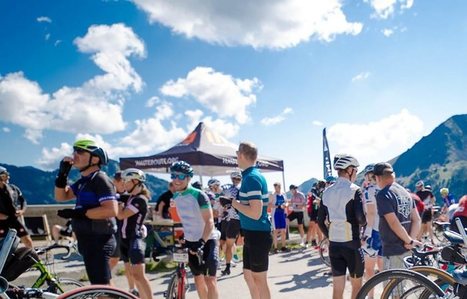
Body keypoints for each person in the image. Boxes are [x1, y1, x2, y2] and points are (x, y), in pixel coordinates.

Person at [54, 139, 118, 285]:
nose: (74, 154)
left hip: (99, 239)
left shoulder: (100, 179)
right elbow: (61, 196)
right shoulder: (84, 181)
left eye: (80, 151)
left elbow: (111, 210)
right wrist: (62, 175)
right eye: (74, 151)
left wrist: (80, 213)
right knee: (104, 285)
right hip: (88, 239)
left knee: (101, 287)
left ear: (95, 158)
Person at [318, 154, 366, 299]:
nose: (356, 174)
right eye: (356, 171)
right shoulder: (354, 189)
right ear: (350, 170)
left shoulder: (326, 192)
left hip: (334, 245)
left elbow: (320, 221)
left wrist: (329, 236)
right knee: (357, 286)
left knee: (337, 286)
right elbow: (360, 218)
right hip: (352, 244)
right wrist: (364, 223)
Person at [170, 161, 219, 299]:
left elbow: (209, 221)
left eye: (180, 176)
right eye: (173, 175)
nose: (176, 180)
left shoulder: (199, 195)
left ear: (188, 178)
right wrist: (182, 237)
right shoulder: (176, 197)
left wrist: (202, 241)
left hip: (208, 240)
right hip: (191, 241)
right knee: (198, 279)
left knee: (210, 280)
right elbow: (182, 221)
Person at [231, 142, 272, 299]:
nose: (236, 157)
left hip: (258, 234)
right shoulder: (251, 175)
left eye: (236, 153)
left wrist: (234, 203)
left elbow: (255, 213)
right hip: (252, 233)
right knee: (249, 276)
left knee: (259, 280)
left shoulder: (251, 177)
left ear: (241, 155)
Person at [373, 162, 422, 275]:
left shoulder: (383, 195)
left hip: (392, 249)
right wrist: (410, 240)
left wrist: (408, 240)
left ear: (378, 177)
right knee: (404, 285)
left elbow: (394, 222)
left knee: (393, 289)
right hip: (407, 248)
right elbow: (417, 219)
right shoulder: (406, 193)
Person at [116, 168, 153, 299]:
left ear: (136, 181)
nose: (124, 184)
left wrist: (119, 203)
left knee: (139, 276)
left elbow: (121, 215)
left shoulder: (140, 200)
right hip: (125, 239)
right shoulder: (131, 197)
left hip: (135, 239)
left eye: (126, 181)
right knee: (133, 275)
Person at [109, 171, 137, 295]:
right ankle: (103, 281)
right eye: (122, 182)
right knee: (115, 260)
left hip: (125, 231)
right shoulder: (111, 194)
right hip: (114, 231)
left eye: (125, 181)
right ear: (115, 182)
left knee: (127, 262)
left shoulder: (128, 195)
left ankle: (132, 289)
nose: (124, 184)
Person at [360, 164, 382, 299]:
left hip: (373, 231)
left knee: (369, 269)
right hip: (386, 231)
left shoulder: (369, 190)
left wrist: (366, 234)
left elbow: (371, 214)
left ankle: (371, 297)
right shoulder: (386, 189)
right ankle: (388, 293)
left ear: (369, 176)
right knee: (384, 269)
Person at [0, 166, 34, 248]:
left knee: (27, 240)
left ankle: (33, 259)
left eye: (8, 174)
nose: (8, 177)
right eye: (5, 175)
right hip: (1, 222)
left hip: (14, 219)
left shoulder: (13, 188)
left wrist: (22, 210)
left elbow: (23, 201)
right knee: (2, 245)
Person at [220, 171, 243, 275]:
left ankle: (229, 266)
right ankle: (228, 266)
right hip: (237, 218)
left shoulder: (230, 189)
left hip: (235, 219)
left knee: (232, 244)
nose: (236, 181)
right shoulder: (235, 189)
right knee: (230, 244)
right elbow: (224, 204)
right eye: (234, 179)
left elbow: (224, 203)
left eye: (237, 179)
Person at [268, 182, 289, 253]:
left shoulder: (283, 194)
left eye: (278, 187)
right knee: (276, 231)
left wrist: (285, 205)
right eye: (276, 187)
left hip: (282, 214)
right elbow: (269, 205)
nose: (277, 188)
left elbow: (287, 202)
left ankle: (283, 246)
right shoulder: (272, 195)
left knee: (283, 231)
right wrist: (278, 206)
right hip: (275, 214)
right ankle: (275, 248)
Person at [306, 181, 325, 248]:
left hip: (318, 211)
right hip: (314, 211)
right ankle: (317, 243)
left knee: (318, 228)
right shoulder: (314, 190)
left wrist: (317, 201)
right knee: (315, 227)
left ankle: (320, 244)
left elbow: (320, 200)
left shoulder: (322, 191)